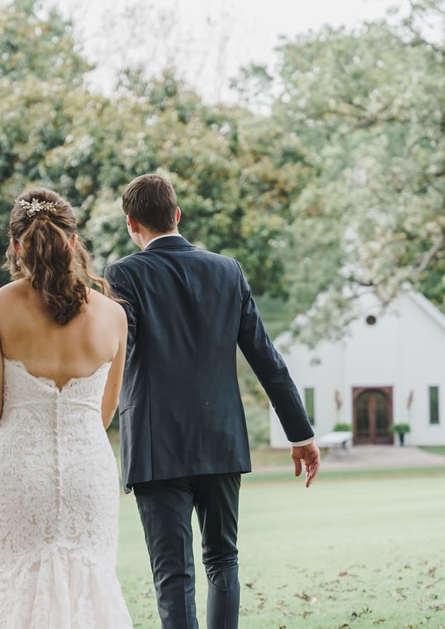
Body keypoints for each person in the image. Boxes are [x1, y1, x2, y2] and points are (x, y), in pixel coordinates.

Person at [104, 174, 321, 629]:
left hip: (155, 442)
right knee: (223, 560)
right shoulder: (228, 270)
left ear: (131, 224)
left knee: (173, 572)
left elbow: (118, 353)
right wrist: (300, 433)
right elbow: (267, 359)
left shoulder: (124, 273)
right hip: (221, 440)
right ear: (177, 215)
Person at [0, 188, 133, 629]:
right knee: (91, 588)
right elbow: (104, 414)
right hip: (89, 476)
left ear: (15, 246)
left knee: (15, 590)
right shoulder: (113, 315)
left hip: (17, 476)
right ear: (73, 242)